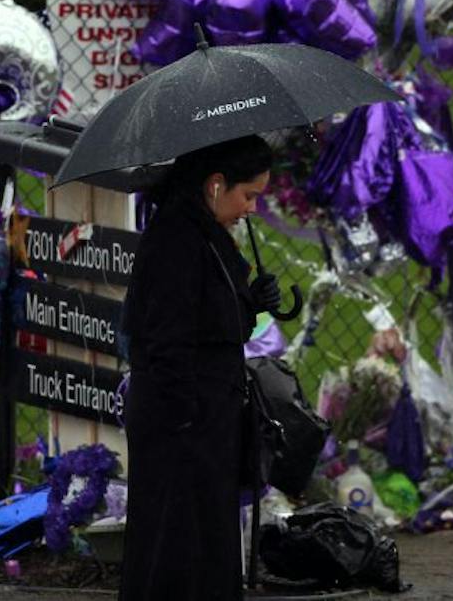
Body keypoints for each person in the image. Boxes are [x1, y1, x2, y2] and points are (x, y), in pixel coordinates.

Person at [118, 135, 281, 601]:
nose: (251, 208)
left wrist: (252, 301)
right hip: (182, 420)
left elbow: (216, 322)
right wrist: (186, 416)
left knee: (205, 538)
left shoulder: (208, 237)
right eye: (248, 195)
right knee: (177, 542)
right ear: (215, 184)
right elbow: (169, 336)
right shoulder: (178, 240)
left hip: (205, 415)